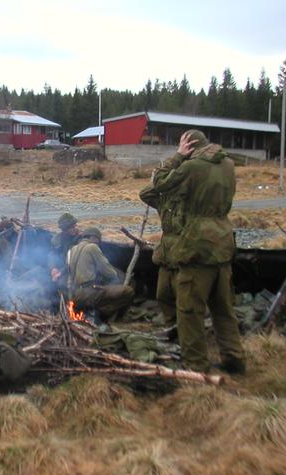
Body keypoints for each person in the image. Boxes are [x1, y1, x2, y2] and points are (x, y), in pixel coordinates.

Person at [152, 130, 245, 374]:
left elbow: (159, 183)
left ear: (189, 145)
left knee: (189, 310)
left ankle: (196, 366)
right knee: (223, 308)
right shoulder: (228, 164)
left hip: (197, 245)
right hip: (223, 241)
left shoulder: (193, 166)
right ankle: (234, 357)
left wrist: (177, 156)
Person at [139, 166, 182, 339]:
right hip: (166, 256)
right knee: (162, 295)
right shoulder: (164, 202)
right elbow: (145, 194)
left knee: (184, 298)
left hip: (183, 255)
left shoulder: (190, 203)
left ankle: (186, 330)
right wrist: (163, 181)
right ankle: (172, 327)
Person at [67, 227, 134, 326]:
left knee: (101, 291)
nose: (98, 242)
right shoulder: (92, 247)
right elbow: (109, 272)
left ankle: (91, 312)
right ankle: (103, 315)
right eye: (98, 240)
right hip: (89, 293)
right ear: (94, 238)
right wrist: (116, 282)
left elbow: (70, 275)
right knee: (128, 291)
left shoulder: (71, 250)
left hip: (74, 295)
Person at [48, 213, 81, 297]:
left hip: (75, 270)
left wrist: (60, 273)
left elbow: (75, 261)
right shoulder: (57, 239)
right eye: (71, 227)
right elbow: (51, 255)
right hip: (61, 268)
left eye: (74, 226)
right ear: (64, 230)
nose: (74, 229)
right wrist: (53, 268)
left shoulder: (80, 240)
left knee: (62, 284)